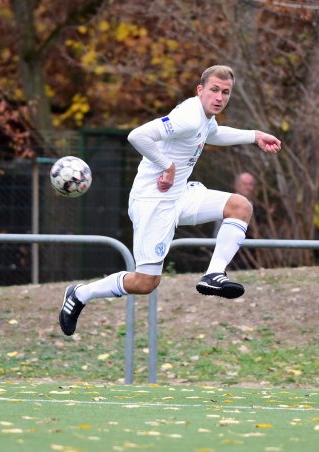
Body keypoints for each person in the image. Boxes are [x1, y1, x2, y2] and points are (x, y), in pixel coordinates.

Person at [60, 65, 281, 336]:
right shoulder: (189, 117)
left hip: (180, 195)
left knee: (240, 206)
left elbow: (214, 134)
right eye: (214, 90)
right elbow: (137, 136)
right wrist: (167, 165)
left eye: (226, 92)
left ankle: (213, 275)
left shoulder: (205, 118)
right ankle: (80, 293)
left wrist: (254, 136)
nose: (220, 97)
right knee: (145, 283)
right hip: (153, 200)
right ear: (200, 90)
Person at [212, 171, 256, 236]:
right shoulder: (227, 204)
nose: (248, 187)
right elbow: (218, 231)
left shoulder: (258, 208)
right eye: (244, 184)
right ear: (236, 186)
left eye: (250, 184)